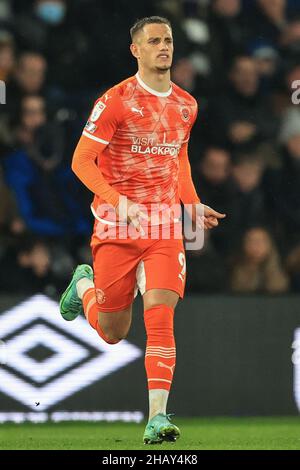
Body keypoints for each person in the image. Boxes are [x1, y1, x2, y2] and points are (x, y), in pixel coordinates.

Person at [59, 16, 225, 444]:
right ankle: (83, 286)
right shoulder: (115, 101)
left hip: (164, 227)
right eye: (154, 41)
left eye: (168, 40)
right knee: (113, 333)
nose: (163, 47)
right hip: (116, 226)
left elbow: (179, 159)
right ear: (136, 50)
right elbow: (80, 162)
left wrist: (191, 202)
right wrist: (120, 202)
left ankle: (157, 417)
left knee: (160, 317)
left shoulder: (187, 104)